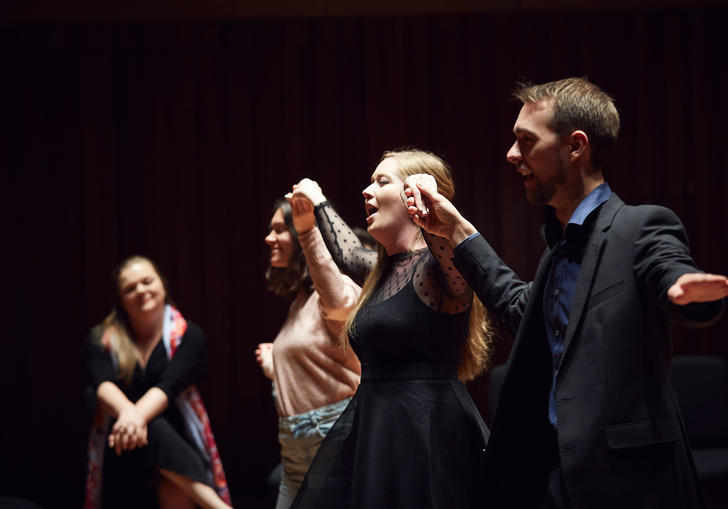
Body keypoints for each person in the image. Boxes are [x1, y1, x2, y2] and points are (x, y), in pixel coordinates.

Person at [404, 77, 728, 508]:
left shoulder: (641, 225)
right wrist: (454, 229)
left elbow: (667, 267)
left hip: (630, 485)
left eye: (526, 141)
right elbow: (519, 310)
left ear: (576, 147)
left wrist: (686, 291)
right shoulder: (559, 249)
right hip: (553, 481)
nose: (511, 154)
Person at [289, 149, 494, 508]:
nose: (367, 191)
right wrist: (316, 201)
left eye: (382, 182)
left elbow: (453, 250)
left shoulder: (441, 266)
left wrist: (431, 203)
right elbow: (349, 253)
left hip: (425, 429)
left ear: (414, 194)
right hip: (376, 426)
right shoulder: (383, 272)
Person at [84, 255, 232, 509]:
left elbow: (168, 386)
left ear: (162, 284)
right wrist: (130, 416)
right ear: (120, 299)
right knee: (143, 422)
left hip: (176, 444)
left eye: (147, 281)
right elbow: (103, 384)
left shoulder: (189, 336)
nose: (141, 290)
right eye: (130, 288)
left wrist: (134, 418)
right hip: (122, 445)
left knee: (157, 431)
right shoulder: (102, 339)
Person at [255, 197, 361, 509]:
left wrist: (307, 230)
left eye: (279, 230)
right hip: (294, 441)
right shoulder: (299, 302)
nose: (269, 238)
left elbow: (341, 306)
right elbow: (319, 367)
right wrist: (276, 366)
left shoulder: (333, 290)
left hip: (329, 431)